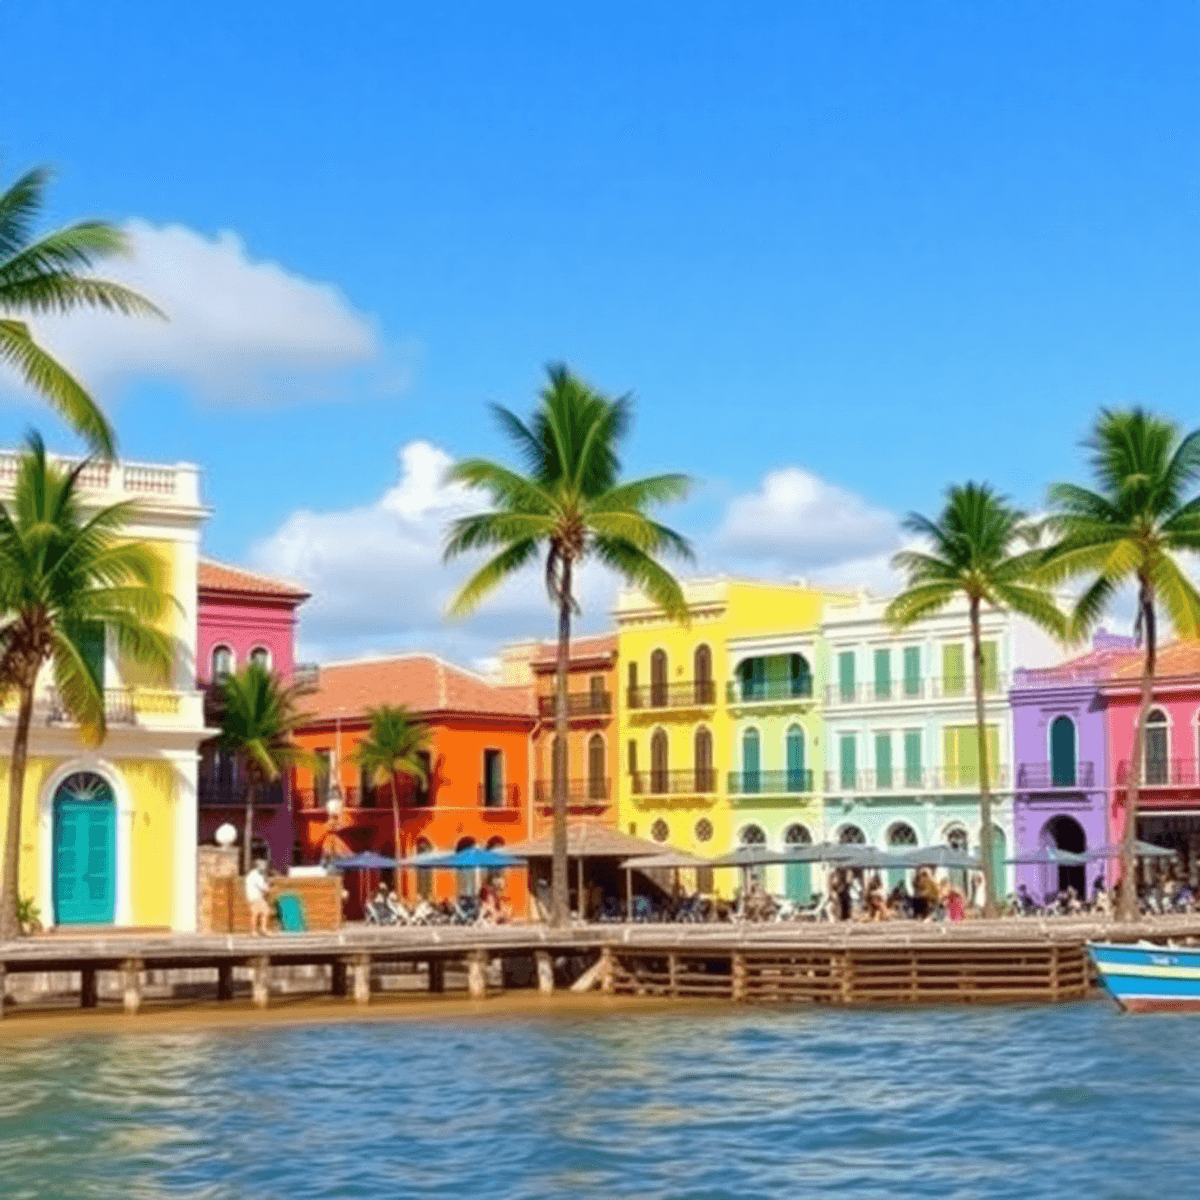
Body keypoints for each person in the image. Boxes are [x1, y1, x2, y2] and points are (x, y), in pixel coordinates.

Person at [245, 858, 272, 936]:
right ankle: (261, 930)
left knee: (256, 913)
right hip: (256, 896)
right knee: (265, 911)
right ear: (259, 866)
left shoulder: (251, 874)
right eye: (263, 866)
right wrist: (269, 888)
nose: (265, 867)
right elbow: (263, 886)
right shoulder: (257, 875)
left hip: (251, 896)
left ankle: (256, 931)